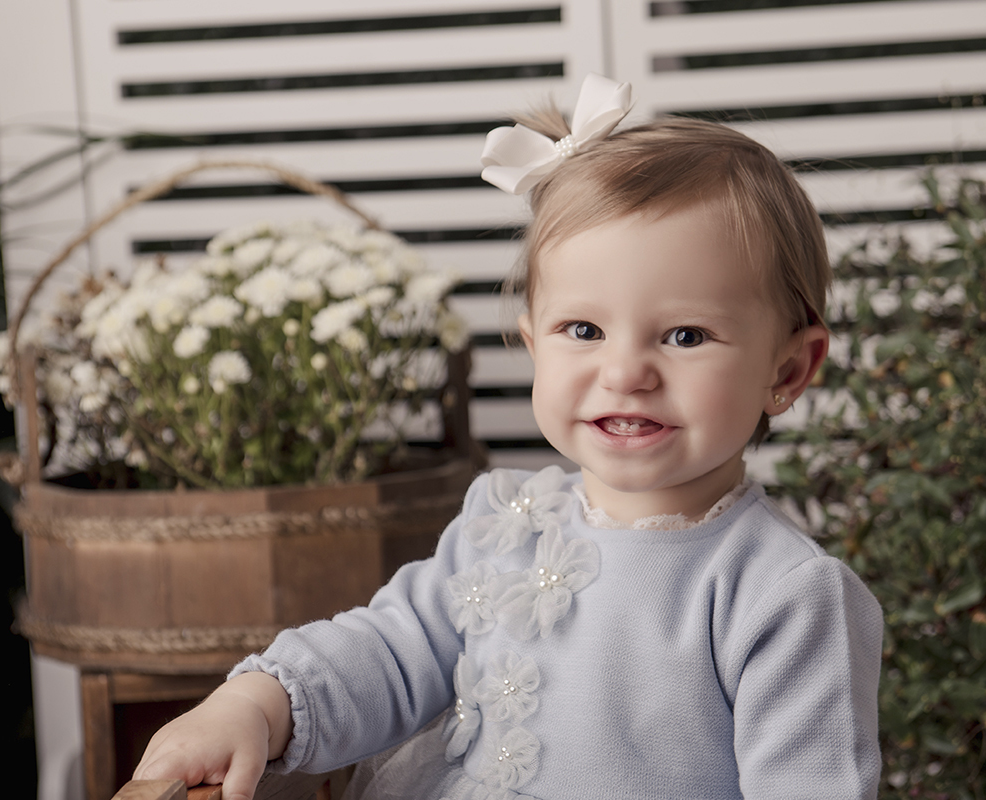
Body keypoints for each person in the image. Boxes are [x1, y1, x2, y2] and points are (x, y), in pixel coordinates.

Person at [135, 73, 883, 800]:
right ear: (534, 345)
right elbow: (390, 654)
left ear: (787, 368)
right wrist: (259, 705)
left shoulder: (779, 595)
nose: (625, 372)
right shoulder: (503, 527)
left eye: (686, 335)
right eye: (582, 329)